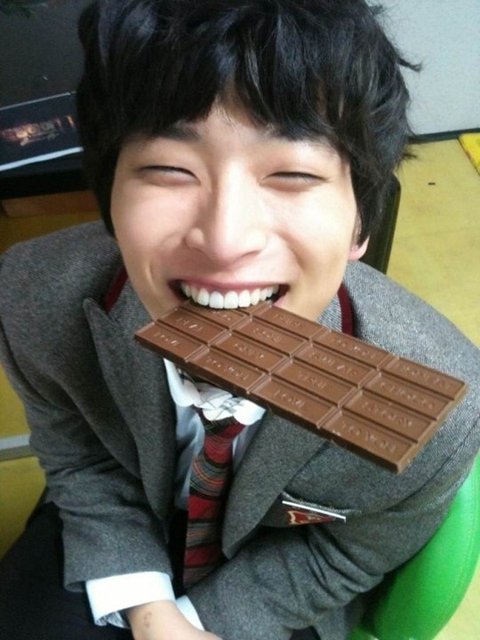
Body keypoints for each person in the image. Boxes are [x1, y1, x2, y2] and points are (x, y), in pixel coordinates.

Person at [0, 1, 479, 639]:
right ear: (110, 196)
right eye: (169, 169)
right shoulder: (34, 296)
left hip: (279, 575)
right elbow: (81, 457)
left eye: (293, 174)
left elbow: (351, 550)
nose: (225, 242)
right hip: (113, 516)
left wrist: (200, 624)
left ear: (361, 221)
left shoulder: (449, 402)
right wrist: (150, 611)